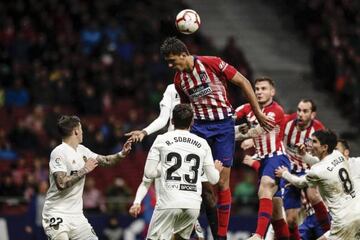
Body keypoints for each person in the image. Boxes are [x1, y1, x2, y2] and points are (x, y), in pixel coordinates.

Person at [160, 36, 273, 240]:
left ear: (184, 54)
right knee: (197, 182)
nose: (170, 65)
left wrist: (257, 113)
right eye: (167, 62)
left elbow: (244, 82)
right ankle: (192, 225)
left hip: (223, 126)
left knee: (222, 183)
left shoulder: (211, 63)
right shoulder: (179, 81)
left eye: (172, 60)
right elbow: (186, 110)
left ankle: (221, 236)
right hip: (199, 128)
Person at [126, 83, 205, 239]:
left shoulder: (202, 87)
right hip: (173, 145)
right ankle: (194, 223)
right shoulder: (172, 88)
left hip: (190, 146)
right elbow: (163, 118)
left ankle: (195, 223)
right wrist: (144, 131)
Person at [42, 115, 132, 240]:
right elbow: (61, 183)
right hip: (57, 213)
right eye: (81, 128)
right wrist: (84, 170)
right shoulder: (59, 152)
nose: (83, 132)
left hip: (77, 216)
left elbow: (105, 160)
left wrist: (121, 154)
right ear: (76, 131)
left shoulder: (82, 150)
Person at [143, 104, 223, 240]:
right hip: (192, 205)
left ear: (172, 120)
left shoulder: (161, 139)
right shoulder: (202, 143)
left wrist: (166, 168)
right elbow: (214, 179)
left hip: (168, 203)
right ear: (192, 121)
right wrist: (217, 169)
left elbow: (149, 173)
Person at [275, 129, 360, 239]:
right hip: (357, 212)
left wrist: (284, 173)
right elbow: (321, 163)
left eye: (314, 142)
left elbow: (300, 182)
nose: (311, 144)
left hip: (343, 220)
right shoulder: (338, 155)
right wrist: (304, 155)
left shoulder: (316, 170)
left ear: (325, 147)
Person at [235, 77, 290, 240]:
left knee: (264, 188)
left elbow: (260, 129)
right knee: (276, 213)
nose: (259, 92)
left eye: (263, 89)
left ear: (272, 92)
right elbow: (229, 118)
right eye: (257, 89)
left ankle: (258, 235)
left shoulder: (276, 110)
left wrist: (239, 135)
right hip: (264, 161)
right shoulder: (247, 108)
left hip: (277, 158)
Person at [282, 99, 330, 239]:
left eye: (305, 111)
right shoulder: (287, 122)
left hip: (309, 171)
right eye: (299, 110)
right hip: (290, 171)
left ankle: (329, 232)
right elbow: (273, 135)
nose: (300, 114)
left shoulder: (319, 130)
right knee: (291, 220)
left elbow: (324, 156)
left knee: (313, 195)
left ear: (312, 114)